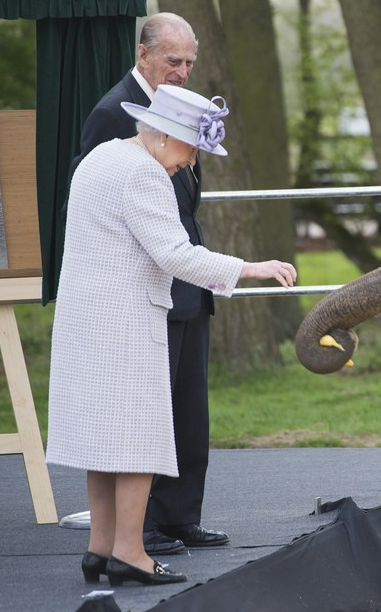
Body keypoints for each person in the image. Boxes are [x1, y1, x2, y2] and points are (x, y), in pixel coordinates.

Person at [46, 84, 297, 586]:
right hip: (126, 320)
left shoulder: (100, 158)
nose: (191, 162)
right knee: (138, 438)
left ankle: (100, 548)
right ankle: (130, 553)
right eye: (191, 149)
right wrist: (251, 267)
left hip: (85, 318)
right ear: (162, 134)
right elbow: (176, 255)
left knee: (103, 438)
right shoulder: (143, 173)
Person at [69, 13, 226, 555]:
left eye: (189, 63)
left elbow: (184, 195)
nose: (182, 72)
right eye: (172, 61)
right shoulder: (115, 112)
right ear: (142, 56)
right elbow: (93, 196)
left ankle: (181, 515)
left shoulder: (181, 110)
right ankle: (144, 529)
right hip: (142, 283)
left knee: (188, 411)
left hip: (186, 278)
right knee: (144, 413)